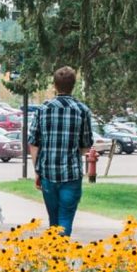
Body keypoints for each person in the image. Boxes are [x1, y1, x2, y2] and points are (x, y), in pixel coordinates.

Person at [25, 66, 94, 236]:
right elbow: (86, 145)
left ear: (55, 85)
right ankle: (60, 257)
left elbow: (34, 143)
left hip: (48, 173)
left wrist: (37, 170)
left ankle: (56, 256)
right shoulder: (82, 110)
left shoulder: (43, 110)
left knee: (53, 220)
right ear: (73, 85)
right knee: (65, 218)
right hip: (71, 174)